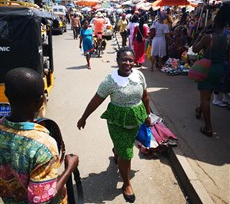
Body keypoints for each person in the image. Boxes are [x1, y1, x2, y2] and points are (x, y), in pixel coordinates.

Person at [77, 47, 151, 203]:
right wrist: (84, 117)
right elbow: (96, 100)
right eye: (124, 59)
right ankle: (127, 183)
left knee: (126, 145)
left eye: (130, 60)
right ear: (117, 61)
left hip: (135, 119)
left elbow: (145, 96)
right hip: (117, 121)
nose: (127, 63)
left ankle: (117, 150)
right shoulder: (109, 81)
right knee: (126, 154)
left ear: (134, 61)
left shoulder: (139, 76)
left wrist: (147, 115)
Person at [0, 67, 79, 203]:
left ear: (7, 94)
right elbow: (43, 201)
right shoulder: (43, 146)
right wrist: (69, 168)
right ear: (40, 101)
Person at [192, 4, 230, 137]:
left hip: (207, 68)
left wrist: (201, 33)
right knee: (208, 94)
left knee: (205, 98)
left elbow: (195, 49)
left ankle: (208, 128)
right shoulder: (227, 37)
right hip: (220, 68)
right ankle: (199, 110)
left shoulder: (208, 37)